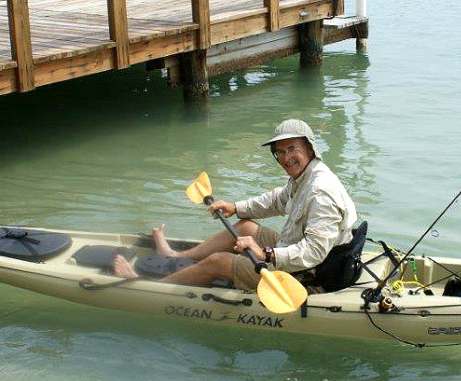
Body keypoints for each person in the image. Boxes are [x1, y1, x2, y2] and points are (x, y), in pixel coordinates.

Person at [113, 119, 358, 291]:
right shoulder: (304, 176)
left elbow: (314, 252)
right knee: (245, 228)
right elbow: (277, 200)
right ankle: (175, 255)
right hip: (296, 251)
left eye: (292, 149)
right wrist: (235, 207)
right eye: (279, 152)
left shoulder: (321, 192)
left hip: (309, 273)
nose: (285, 158)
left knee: (218, 261)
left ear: (309, 147)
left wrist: (266, 254)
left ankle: (147, 287)